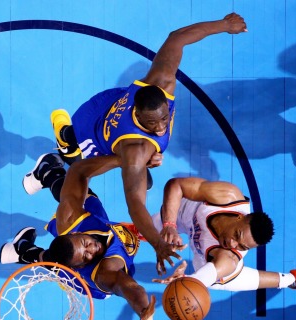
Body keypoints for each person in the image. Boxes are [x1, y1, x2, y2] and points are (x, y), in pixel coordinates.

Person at [23, 13, 249, 275]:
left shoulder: (161, 83)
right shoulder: (135, 151)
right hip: (95, 135)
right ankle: (63, 145)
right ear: (139, 116)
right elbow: (135, 204)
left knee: (143, 174)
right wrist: (156, 243)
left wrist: (223, 25)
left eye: (165, 117)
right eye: (154, 124)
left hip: (111, 105)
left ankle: (64, 152)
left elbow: (177, 39)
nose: (162, 126)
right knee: (78, 169)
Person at [1, 153, 156, 320]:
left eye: (85, 245)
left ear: (74, 234)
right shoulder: (105, 272)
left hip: (98, 229)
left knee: (81, 195)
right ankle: (22, 251)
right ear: (79, 266)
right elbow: (128, 287)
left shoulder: (69, 220)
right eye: (86, 257)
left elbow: (78, 171)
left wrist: (124, 160)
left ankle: (48, 173)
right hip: (91, 282)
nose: (92, 250)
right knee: (56, 264)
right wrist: (144, 310)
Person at [150, 176, 296, 293]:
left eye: (242, 246)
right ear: (238, 216)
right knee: (148, 229)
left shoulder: (229, 257)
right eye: (236, 235)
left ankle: (294, 279)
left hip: (203, 255)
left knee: (221, 280)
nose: (232, 243)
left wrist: (185, 281)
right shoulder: (228, 197)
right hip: (186, 214)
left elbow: (200, 281)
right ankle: (148, 230)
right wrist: (170, 225)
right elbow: (176, 185)